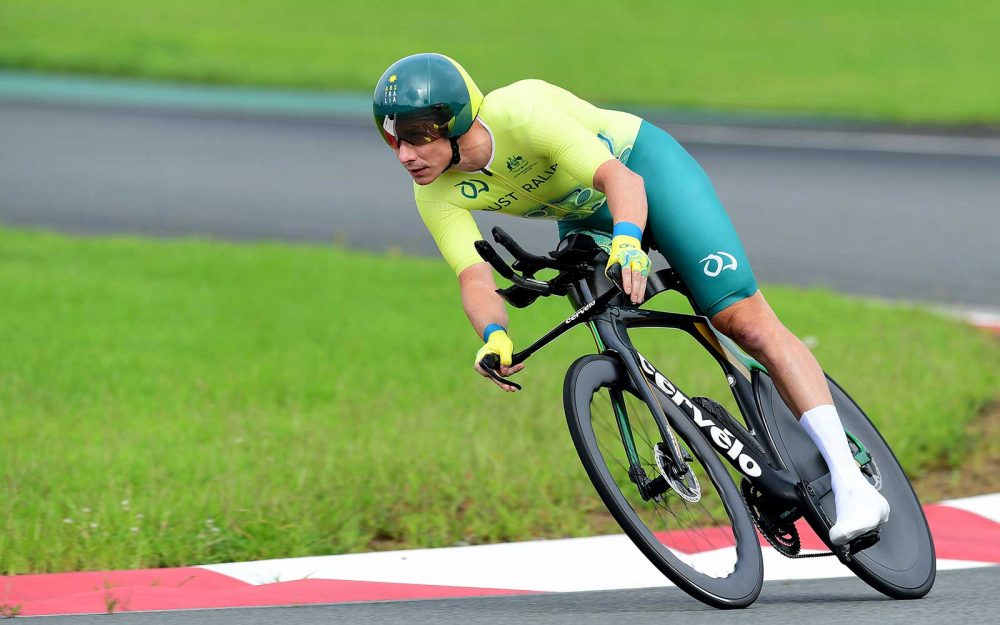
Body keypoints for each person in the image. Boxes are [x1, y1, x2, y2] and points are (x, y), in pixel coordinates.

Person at [373, 52, 889, 546]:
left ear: (456, 121)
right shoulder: (433, 192)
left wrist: (628, 242)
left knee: (744, 322)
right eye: (392, 139)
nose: (405, 156)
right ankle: (692, 424)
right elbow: (474, 277)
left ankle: (852, 483)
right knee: (598, 312)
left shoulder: (523, 112)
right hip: (587, 216)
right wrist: (495, 336)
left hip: (645, 173)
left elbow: (618, 178)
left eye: (417, 137)